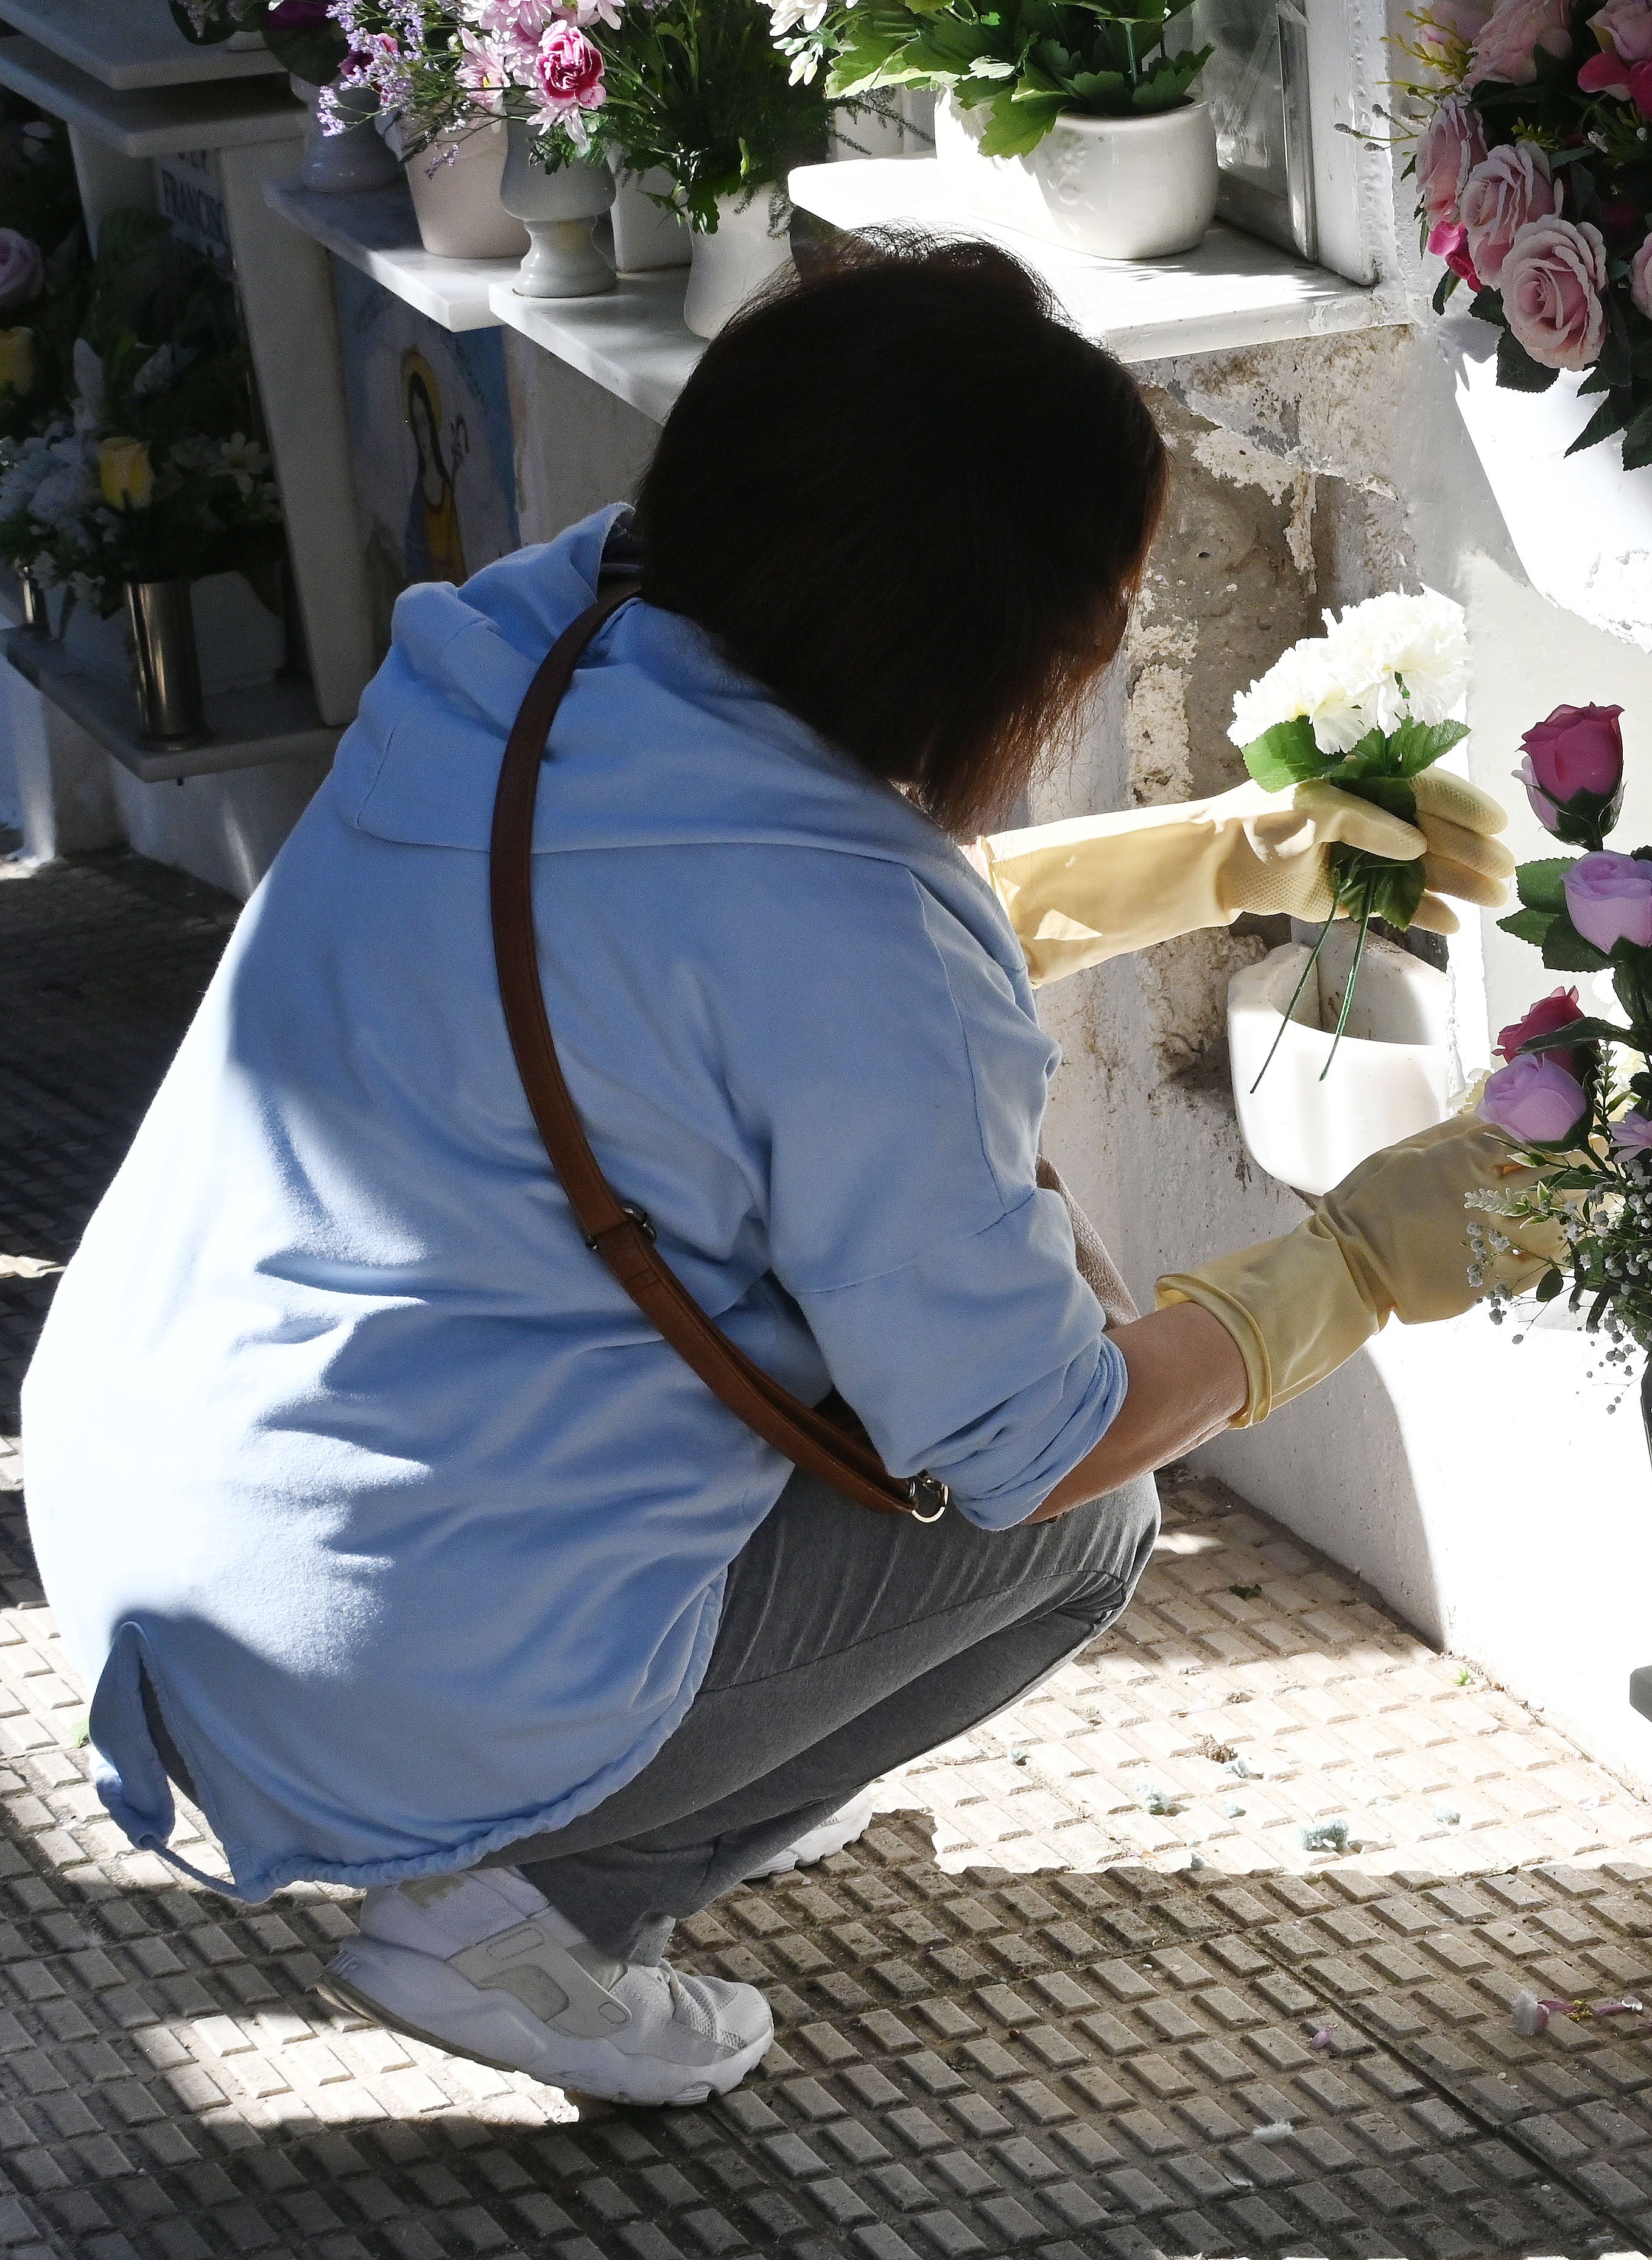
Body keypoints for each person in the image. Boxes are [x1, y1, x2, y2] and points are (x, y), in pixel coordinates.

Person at [20, 234, 1546, 2110]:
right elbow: (1029, 1437)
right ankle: (539, 1907)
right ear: (986, 644)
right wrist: (1364, 1265)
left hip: (151, 1515)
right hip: (367, 1655)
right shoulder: (847, 932)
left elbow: (760, 950)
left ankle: (662, 1763)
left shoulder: (531, 633)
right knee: (1079, 1531)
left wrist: (1225, 856)